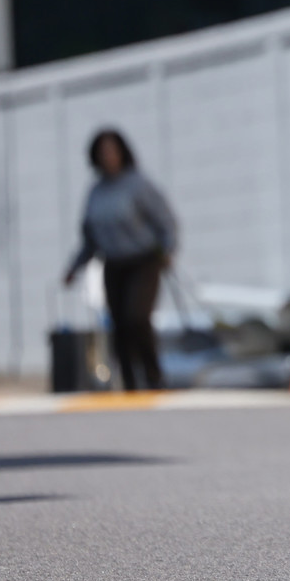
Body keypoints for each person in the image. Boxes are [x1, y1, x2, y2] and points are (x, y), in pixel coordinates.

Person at [64, 129, 178, 391]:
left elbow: (165, 222)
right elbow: (90, 238)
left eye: (112, 151)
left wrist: (167, 250)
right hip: (113, 263)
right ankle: (128, 382)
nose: (108, 157)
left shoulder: (138, 185)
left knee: (136, 317)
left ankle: (153, 376)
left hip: (143, 261)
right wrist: (74, 268)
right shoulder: (95, 193)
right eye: (103, 152)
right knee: (118, 325)